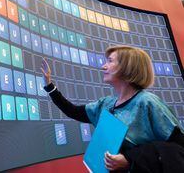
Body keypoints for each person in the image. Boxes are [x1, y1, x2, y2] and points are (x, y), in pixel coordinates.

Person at [41, 45, 184, 172]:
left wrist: (130, 159)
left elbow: (178, 149)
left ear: (128, 67)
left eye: (110, 61)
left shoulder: (147, 102)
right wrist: (49, 87)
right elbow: (72, 111)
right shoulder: (106, 104)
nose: (103, 66)